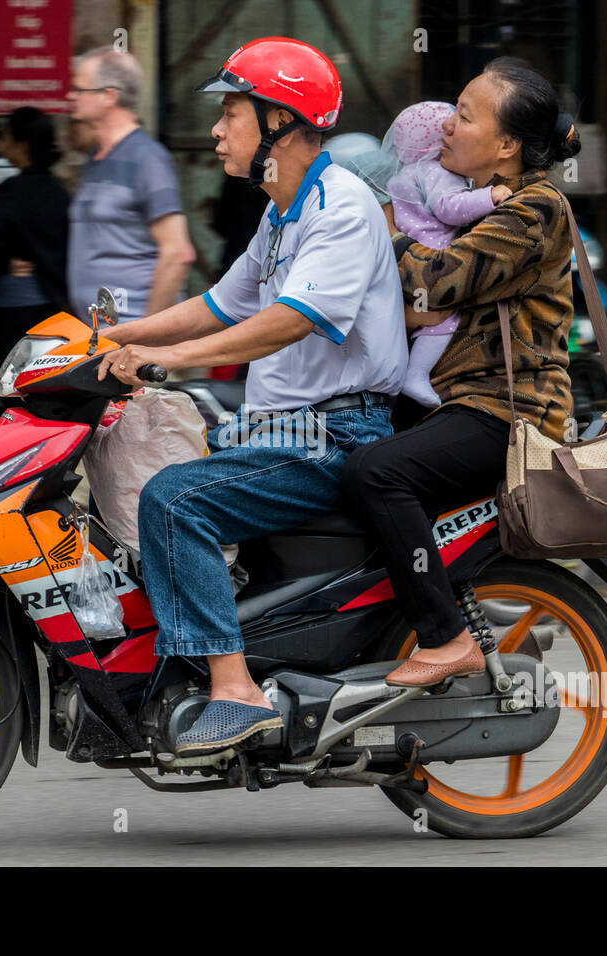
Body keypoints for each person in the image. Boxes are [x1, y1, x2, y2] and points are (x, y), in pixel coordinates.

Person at [96, 37, 407, 754]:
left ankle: (234, 690)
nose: (216, 128)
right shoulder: (283, 213)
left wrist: (163, 360)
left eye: (231, 111)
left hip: (332, 435)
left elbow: (288, 322)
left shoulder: (343, 208)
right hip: (277, 428)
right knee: (134, 465)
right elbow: (218, 304)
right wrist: (111, 334)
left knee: (173, 499)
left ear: (280, 121)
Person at [339, 56, 579, 687]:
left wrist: (373, 221)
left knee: (376, 471)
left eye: (464, 115)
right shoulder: (455, 205)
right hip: (451, 401)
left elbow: (434, 282)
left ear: (505, 146)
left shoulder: (536, 209)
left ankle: (446, 639)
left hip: (508, 408)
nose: (446, 125)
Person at [376, 101, 512, 407]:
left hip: (402, 262)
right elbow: (451, 208)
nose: (453, 132)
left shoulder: (403, 175)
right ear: (436, 144)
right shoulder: (436, 172)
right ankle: (416, 375)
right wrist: (489, 197)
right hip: (431, 256)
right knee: (443, 319)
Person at [66, 47, 195, 322]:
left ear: (108, 96)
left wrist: (148, 338)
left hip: (134, 337)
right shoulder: (94, 159)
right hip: (101, 335)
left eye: (79, 89)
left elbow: (177, 253)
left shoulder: (147, 159)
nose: (70, 96)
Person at [0, 107, 71, 374]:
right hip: (53, 307)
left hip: (12, 307)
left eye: (6, 138)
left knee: (11, 381)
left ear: (22, 145)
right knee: (43, 379)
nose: (2, 145)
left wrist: (2, 264)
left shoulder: (10, 192)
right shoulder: (60, 192)